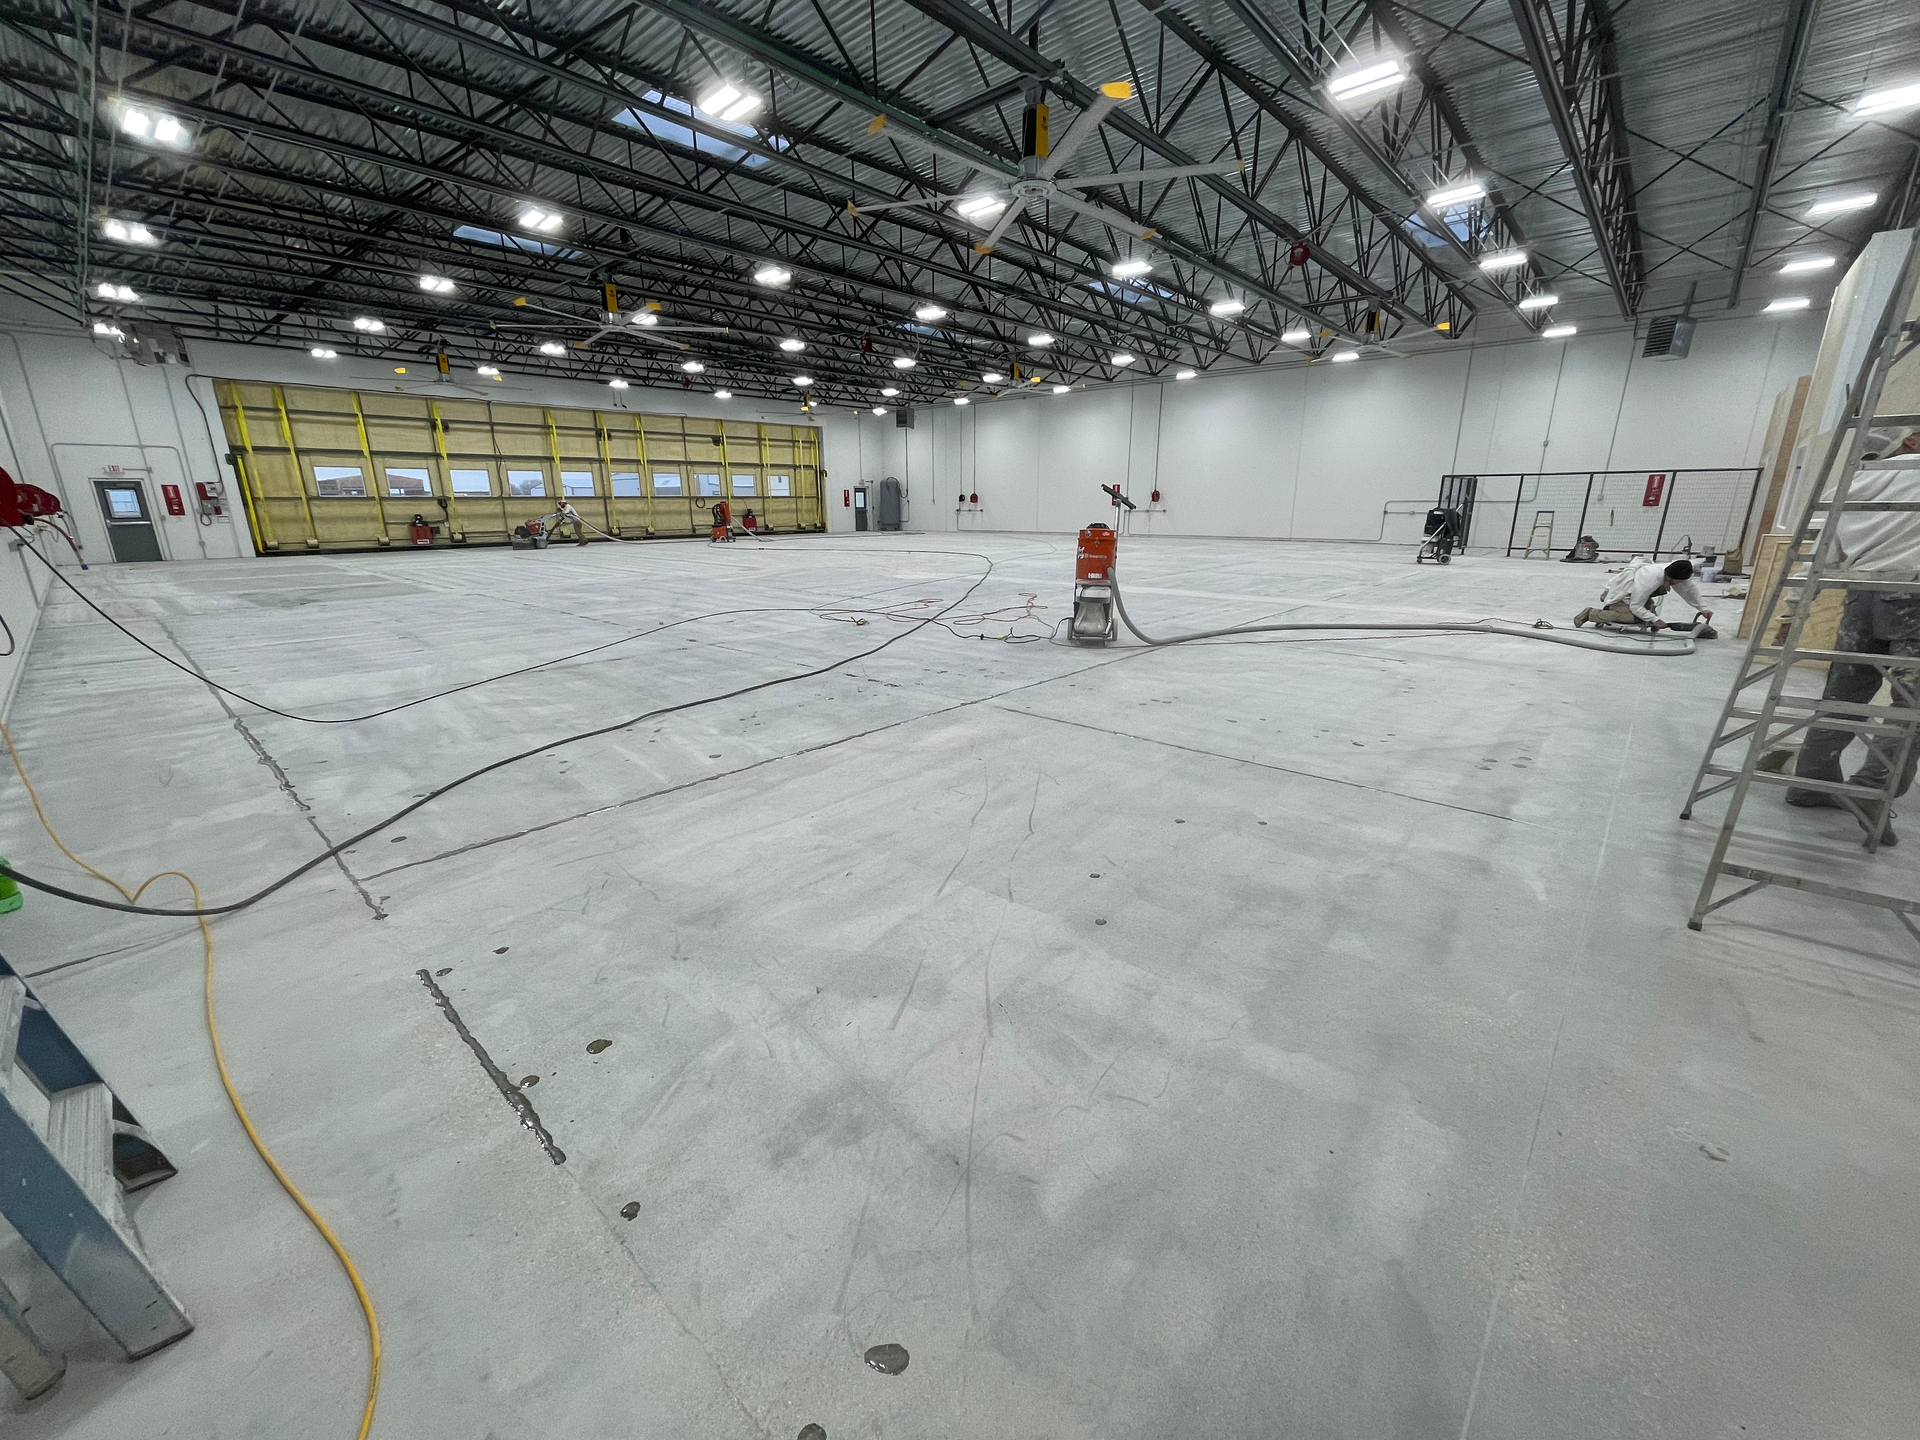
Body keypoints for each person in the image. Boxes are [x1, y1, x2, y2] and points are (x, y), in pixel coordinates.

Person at [1787, 426, 1920, 842]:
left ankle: (1811, 780)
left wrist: (1793, 609)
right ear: (1910, 443)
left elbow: (1823, 550)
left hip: (1861, 598)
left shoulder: (1855, 481)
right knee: (1910, 705)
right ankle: (1872, 791)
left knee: (1844, 694)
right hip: (1914, 597)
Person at [1574, 557, 1715, 633]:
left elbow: (1690, 590)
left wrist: (1703, 608)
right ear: (1668, 576)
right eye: (1673, 581)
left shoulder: (1679, 573)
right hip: (1621, 594)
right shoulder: (1649, 579)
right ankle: (1591, 613)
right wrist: (1655, 619)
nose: (1676, 584)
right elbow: (1636, 605)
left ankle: (1617, 611)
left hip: (1639, 595)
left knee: (1644, 618)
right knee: (1629, 618)